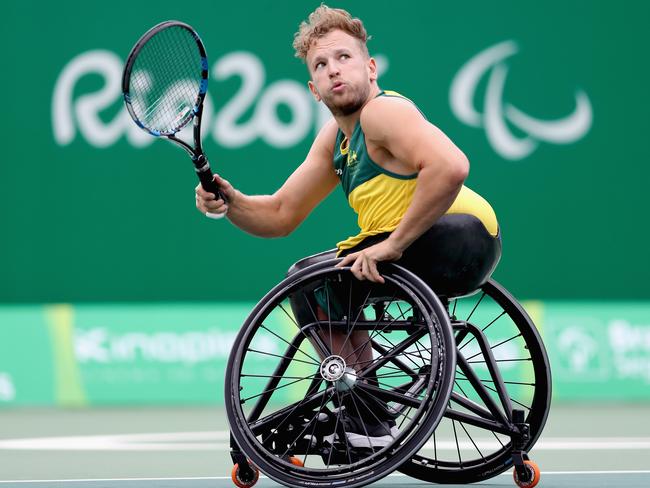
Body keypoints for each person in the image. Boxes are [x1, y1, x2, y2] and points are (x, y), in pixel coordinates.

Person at [196, 5, 501, 448]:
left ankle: (366, 417)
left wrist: (393, 245)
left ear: (370, 67)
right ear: (313, 88)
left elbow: (452, 166)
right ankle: (366, 410)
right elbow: (280, 215)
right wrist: (230, 202)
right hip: (444, 241)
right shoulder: (334, 141)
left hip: (457, 234)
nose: (333, 70)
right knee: (313, 278)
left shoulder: (382, 114)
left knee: (311, 283)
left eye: (343, 58)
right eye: (321, 65)